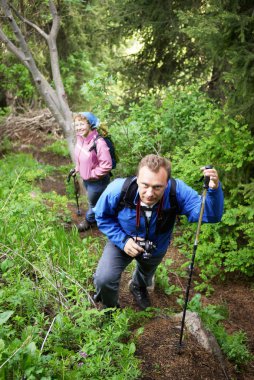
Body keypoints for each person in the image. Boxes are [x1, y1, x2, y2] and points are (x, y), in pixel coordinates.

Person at [93, 154, 224, 310]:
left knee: (145, 273)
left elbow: (210, 215)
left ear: (166, 183)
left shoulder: (177, 191)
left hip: (156, 245)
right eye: (145, 185)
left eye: (157, 187)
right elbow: (101, 216)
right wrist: (123, 240)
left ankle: (138, 287)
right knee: (104, 279)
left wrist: (214, 190)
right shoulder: (118, 190)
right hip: (121, 239)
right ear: (137, 178)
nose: (149, 193)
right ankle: (110, 308)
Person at [73, 112, 112, 231]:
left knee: (94, 204)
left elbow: (107, 165)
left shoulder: (99, 142)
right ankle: (102, 217)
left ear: (90, 124)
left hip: (97, 181)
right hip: (87, 179)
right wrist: (77, 168)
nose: (79, 127)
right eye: (77, 124)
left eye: (82, 124)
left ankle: (89, 221)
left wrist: (91, 175)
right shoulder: (81, 139)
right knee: (94, 201)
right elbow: (80, 157)